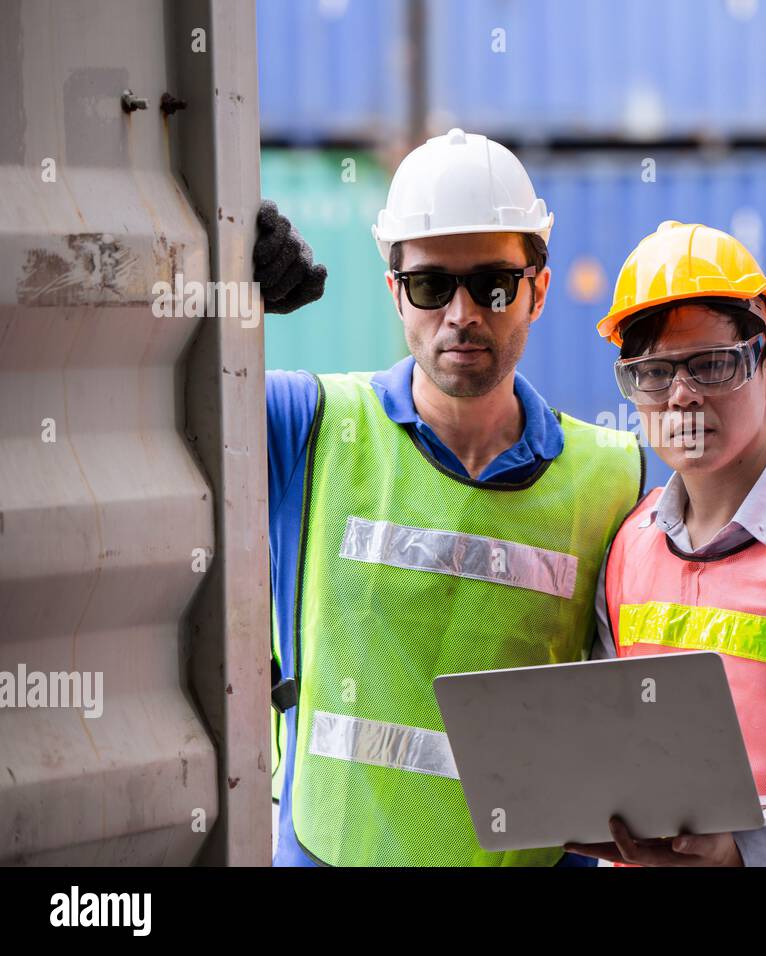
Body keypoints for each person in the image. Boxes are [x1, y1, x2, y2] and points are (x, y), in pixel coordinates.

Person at [257, 129, 643, 866]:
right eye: (433, 285)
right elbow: (127, 382)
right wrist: (216, 283)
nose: (462, 313)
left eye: (493, 284)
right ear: (395, 292)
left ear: (539, 289)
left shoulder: (615, 478)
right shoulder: (305, 428)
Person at [567, 221, 766, 867]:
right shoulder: (628, 547)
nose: (682, 395)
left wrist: (745, 852)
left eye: (713, 365)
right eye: (654, 373)